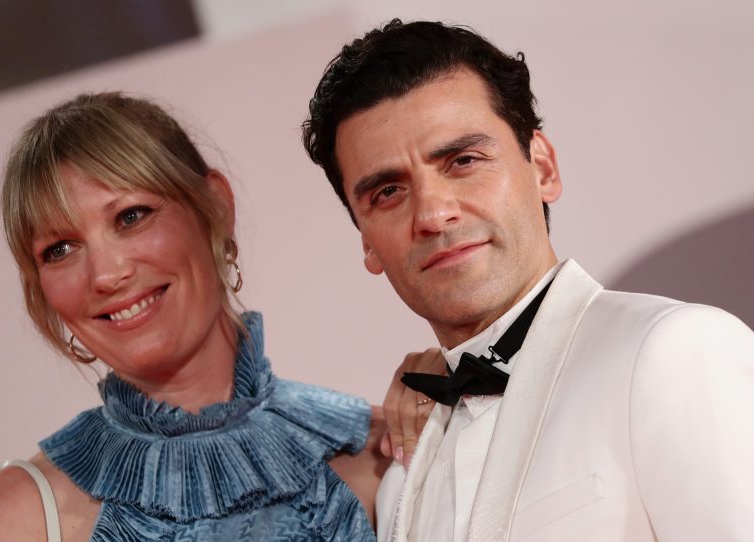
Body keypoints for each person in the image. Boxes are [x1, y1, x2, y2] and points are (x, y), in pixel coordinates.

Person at [302, 19, 754, 542]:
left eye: (463, 160)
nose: (433, 214)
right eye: (387, 192)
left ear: (542, 167)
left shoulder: (672, 351)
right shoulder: (401, 469)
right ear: (365, 240)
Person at [0, 91, 414, 541]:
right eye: (60, 249)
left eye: (131, 216)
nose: (107, 275)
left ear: (215, 204)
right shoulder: (8, 523)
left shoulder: (386, 451)